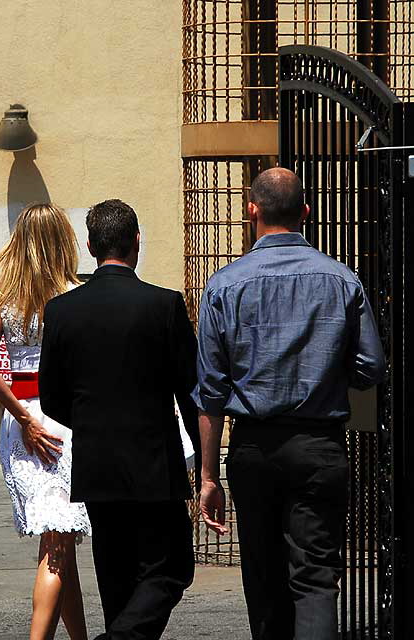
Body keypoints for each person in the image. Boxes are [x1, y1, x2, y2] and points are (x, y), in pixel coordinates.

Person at [194, 168, 385, 640]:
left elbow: (211, 390)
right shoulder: (342, 281)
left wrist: (207, 477)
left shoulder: (223, 286)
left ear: (250, 210)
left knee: (263, 579)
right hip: (319, 443)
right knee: (317, 578)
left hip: (253, 447)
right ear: (305, 211)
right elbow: (370, 368)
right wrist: (327, 376)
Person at [38, 198, 200, 640]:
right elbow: (190, 394)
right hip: (155, 464)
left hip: (96, 464)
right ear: (137, 243)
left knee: (115, 581)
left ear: (90, 245)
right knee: (172, 569)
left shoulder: (62, 310)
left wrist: (93, 423)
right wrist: (205, 465)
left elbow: (50, 398)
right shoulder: (165, 306)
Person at [0, 204, 91, 640]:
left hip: (20, 416)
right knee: (58, 544)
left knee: (60, 542)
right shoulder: (74, 292)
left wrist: (21, 416)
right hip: (60, 420)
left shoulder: (6, 291)